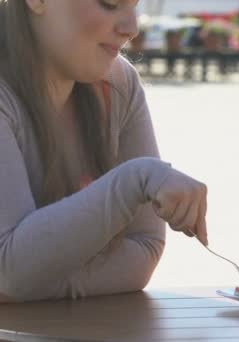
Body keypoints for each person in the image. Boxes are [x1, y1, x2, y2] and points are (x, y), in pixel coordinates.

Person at [0, 0, 208, 302]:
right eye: (110, 3)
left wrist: (29, 281)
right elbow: (10, 268)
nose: (131, 28)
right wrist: (135, 180)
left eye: (135, 5)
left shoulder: (119, 84)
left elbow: (146, 248)